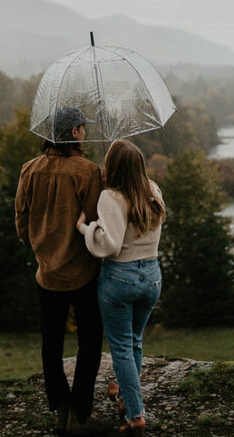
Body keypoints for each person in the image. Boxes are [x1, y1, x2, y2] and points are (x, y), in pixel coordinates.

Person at [15, 105, 109, 435]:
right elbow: (96, 223)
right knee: (90, 340)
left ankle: (61, 407)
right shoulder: (88, 172)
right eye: (83, 128)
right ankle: (80, 415)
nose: (85, 132)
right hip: (82, 275)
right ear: (73, 133)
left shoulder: (29, 169)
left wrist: (43, 249)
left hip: (47, 276)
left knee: (51, 342)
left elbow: (21, 223)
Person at [76, 139, 166, 437]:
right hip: (152, 276)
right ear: (139, 164)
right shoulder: (153, 190)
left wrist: (85, 228)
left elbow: (109, 244)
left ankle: (136, 415)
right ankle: (127, 399)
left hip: (120, 279)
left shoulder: (110, 197)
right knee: (135, 342)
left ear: (112, 167)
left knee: (122, 349)